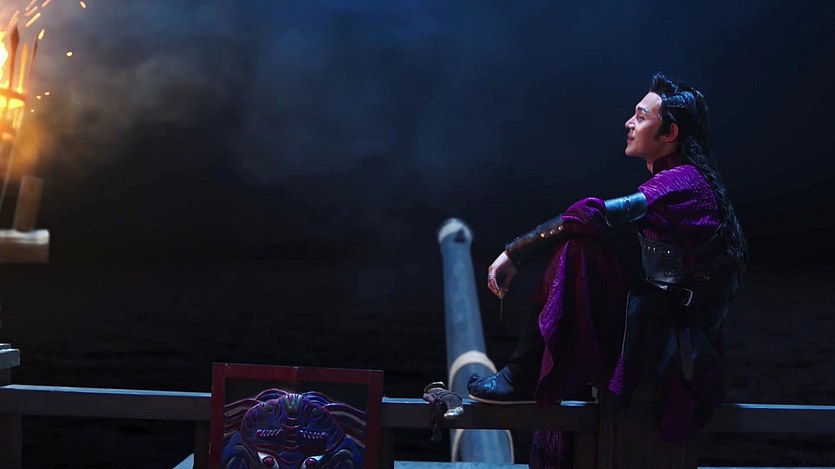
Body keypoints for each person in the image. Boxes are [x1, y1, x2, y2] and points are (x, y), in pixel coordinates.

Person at [467, 72, 747, 468]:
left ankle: (521, 375)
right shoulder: (682, 179)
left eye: (641, 117)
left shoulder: (682, 182)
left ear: (670, 132)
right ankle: (524, 375)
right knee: (584, 253)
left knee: (577, 251)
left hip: (673, 342)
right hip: (661, 325)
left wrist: (516, 252)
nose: (629, 123)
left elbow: (591, 214)